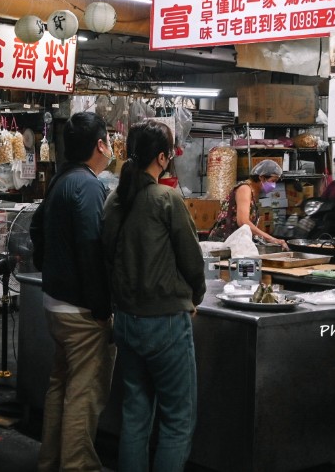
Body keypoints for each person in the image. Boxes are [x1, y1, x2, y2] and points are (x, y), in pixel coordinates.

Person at [101, 120, 205, 472]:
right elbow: (192, 259)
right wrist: (196, 296)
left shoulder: (115, 200)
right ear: (162, 157)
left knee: (135, 416)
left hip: (127, 321)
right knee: (177, 421)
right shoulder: (166, 198)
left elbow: (107, 256)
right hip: (165, 323)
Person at [31, 112, 116, 472]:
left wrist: (52, 268)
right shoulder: (89, 185)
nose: (111, 146)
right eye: (108, 139)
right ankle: (77, 466)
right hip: (81, 311)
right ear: (99, 145)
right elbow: (90, 247)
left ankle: (50, 461)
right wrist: (101, 307)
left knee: (61, 386)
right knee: (84, 394)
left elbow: (37, 229)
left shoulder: (61, 179)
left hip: (55, 302)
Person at [208, 159, 289, 250]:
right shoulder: (245, 189)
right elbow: (243, 222)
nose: (274, 185)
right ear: (262, 178)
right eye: (273, 181)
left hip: (233, 241)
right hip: (223, 241)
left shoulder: (253, 193)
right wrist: (271, 239)